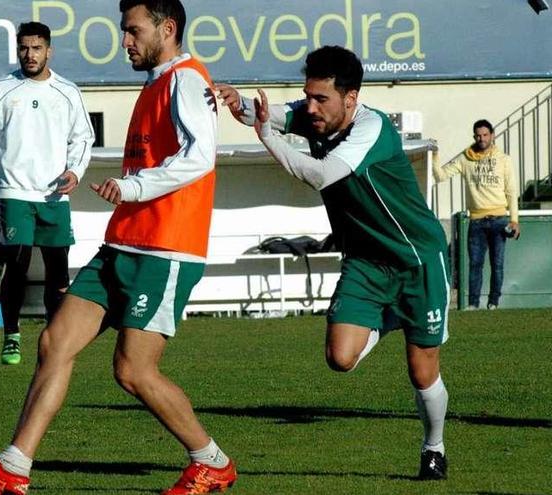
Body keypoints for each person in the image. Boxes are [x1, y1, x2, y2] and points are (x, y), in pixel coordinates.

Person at [0, 1, 236, 494]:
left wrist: (133, 188)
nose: (124, 41)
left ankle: (211, 460)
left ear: (167, 29)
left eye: (133, 31)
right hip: (124, 243)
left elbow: (200, 158)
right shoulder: (157, 82)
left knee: (132, 370)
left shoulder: (187, 80)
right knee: (54, 343)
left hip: (165, 249)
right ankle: (13, 468)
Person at [217, 45, 450, 480]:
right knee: (340, 359)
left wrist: (267, 136)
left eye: (321, 98)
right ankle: (387, 320)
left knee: (422, 370)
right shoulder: (315, 113)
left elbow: (321, 174)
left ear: (351, 97)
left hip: (416, 258)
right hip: (365, 261)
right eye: (308, 96)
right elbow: (268, 113)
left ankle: (433, 447)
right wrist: (238, 101)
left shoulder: (373, 129)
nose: (311, 107)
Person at [0, 21, 95, 365]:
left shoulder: (67, 92)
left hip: (54, 195)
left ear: (49, 50)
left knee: (58, 272)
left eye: (36, 48)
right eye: (24, 48)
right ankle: (11, 336)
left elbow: (83, 137)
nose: (29, 54)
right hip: (14, 191)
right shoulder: (1, 89)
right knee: (17, 264)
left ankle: (55, 339)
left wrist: (75, 172)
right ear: (17, 50)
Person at [433, 120, 519, 310]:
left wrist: (514, 220)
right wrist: (434, 155)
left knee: (497, 264)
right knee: (475, 264)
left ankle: (493, 302)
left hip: (499, 218)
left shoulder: (503, 159)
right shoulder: (465, 159)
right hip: (476, 219)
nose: (482, 139)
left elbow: (512, 191)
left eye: (485, 135)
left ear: (492, 135)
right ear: (474, 137)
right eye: (478, 135)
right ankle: (473, 304)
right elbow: (441, 176)